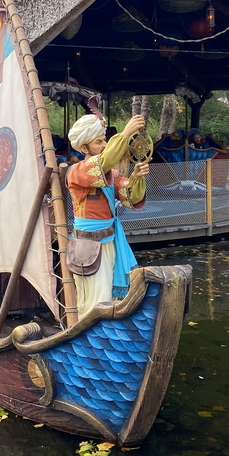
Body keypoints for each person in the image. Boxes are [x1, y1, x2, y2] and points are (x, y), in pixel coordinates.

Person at [65, 113, 149, 319]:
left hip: (110, 241)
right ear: (84, 148)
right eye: (98, 142)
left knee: (111, 295)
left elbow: (129, 198)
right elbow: (103, 162)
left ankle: (108, 333)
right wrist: (125, 134)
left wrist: (137, 178)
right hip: (89, 246)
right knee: (94, 297)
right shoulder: (77, 172)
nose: (103, 145)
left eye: (105, 141)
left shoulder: (113, 175)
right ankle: (87, 335)